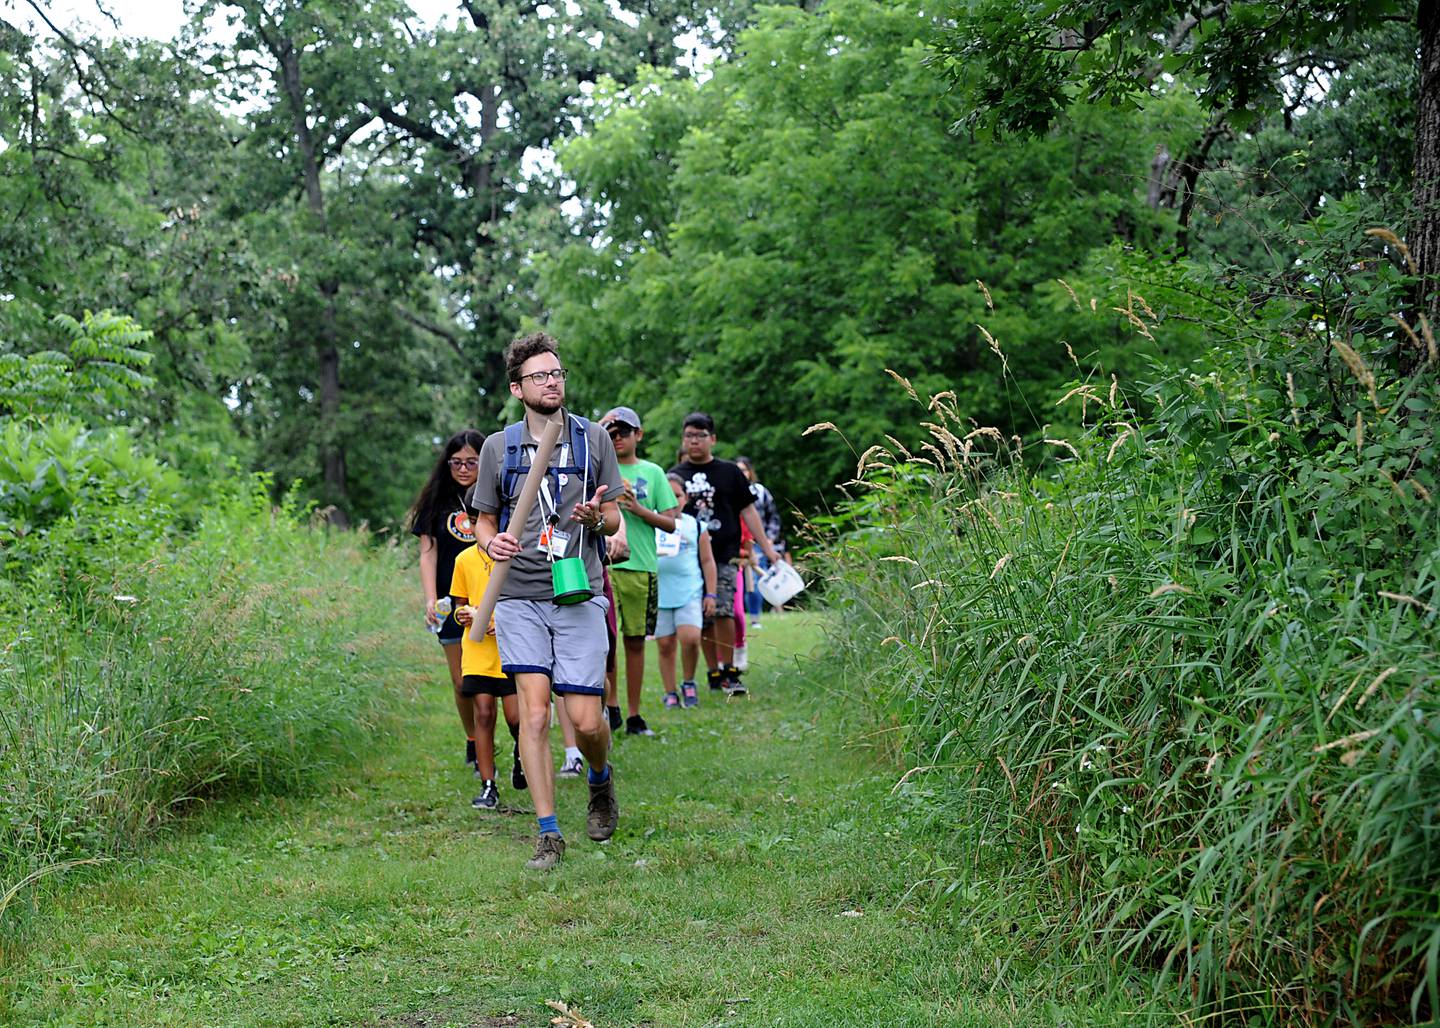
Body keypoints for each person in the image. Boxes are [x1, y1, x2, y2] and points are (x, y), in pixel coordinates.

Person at [470, 332, 624, 871]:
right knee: (533, 715)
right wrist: (493, 542)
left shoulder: (593, 440)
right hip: (518, 596)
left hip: (578, 588)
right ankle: (548, 832)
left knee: (584, 719)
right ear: (518, 388)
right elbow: (483, 519)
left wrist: (594, 519)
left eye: (557, 372)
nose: (552, 381)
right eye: (539, 375)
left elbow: (613, 519)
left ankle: (601, 782)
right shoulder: (499, 446)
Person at [669, 412, 781, 697]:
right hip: (688, 559)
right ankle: (713, 671)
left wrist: (767, 548)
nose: (694, 441)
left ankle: (731, 670)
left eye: (700, 436)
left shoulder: (730, 472)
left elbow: (749, 511)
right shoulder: (675, 475)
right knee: (702, 616)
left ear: (713, 439)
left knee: (724, 610)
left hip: (725, 554)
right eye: (689, 436)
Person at [406, 429, 486, 770]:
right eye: (456, 462)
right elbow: (427, 553)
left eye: (471, 462)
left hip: (489, 599)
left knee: (494, 678)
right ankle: (473, 738)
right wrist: (430, 599)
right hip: (450, 601)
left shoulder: (495, 495)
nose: (463, 469)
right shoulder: (437, 500)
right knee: (462, 680)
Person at [599, 406, 678, 737]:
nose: (618, 439)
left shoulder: (654, 472)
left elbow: (672, 523)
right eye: (611, 433)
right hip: (604, 566)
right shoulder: (599, 467)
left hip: (641, 566)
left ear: (638, 434)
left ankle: (633, 714)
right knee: (606, 641)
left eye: (624, 432)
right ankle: (610, 706)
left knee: (634, 641)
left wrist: (638, 509)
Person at [449, 513, 525, 811]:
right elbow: (458, 604)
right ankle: (488, 784)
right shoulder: (464, 560)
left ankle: (522, 757)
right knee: (482, 713)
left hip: (511, 646)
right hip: (478, 648)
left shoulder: (514, 554)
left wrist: (502, 622)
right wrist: (463, 615)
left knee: (516, 717)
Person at [655, 472, 717, 708]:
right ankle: (670, 692)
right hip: (661, 593)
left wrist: (710, 594)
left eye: (677, 495)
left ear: (686, 497)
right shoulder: (653, 523)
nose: (672, 500)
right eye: (666, 495)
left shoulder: (696, 526)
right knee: (665, 645)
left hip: (689, 591)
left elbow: (708, 561)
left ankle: (689, 682)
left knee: (690, 639)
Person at [735, 456, 785, 625]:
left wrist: (769, 539)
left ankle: (755, 619)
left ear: (750, 472)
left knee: (756, 581)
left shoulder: (760, 492)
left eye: (744, 469)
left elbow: (773, 517)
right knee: (736, 582)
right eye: (738, 470)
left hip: (758, 544)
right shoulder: (729, 492)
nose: (741, 473)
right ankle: (738, 617)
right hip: (736, 543)